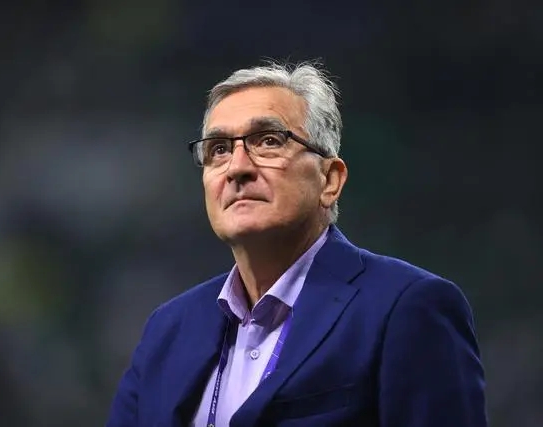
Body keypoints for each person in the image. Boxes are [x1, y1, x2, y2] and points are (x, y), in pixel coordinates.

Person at [106, 60, 487, 426]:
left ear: (330, 180)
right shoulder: (168, 328)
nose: (237, 167)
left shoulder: (407, 307)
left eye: (269, 141)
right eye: (219, 149)